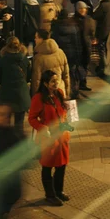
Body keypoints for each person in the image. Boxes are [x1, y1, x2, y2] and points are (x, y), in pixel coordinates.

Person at [28, 70, 71, 206]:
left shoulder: (59, 93)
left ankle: (59, 191)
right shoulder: (38, 98)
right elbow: (32, 118)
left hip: (61, 137)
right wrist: (42, 127)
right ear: (45, 83)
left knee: (62, 165)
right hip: (48, 138)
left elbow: (62, 112)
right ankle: (50, 195)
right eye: (52, 81)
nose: (56, 83)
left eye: (57, 80)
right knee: (47, 166)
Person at [0, 37, 31, 136]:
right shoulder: (25, 60)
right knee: (19, 124)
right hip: (21, 97)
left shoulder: (2, 61)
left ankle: (7, 145)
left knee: (5, 124)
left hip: (6, 97)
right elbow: (28, 77)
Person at [51, 10, 85, 99]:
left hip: (60, 55)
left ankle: (60, 93)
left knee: (60, 74)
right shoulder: (73, 27)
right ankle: (73, 92)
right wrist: (78, 56)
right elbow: (77, 43)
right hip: (72, 54)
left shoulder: (55, 26)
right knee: (72, 74)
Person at [31, 29, 70, 97]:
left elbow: (36, 81)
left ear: (41, 39)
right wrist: (67, 92)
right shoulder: (60, 52)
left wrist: (34, 96)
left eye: (36, 37)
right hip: (60, 90)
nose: (35, 39)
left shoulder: (39, 58)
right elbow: (66, 75)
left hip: (47, 93)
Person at [74, 1, 95, 91]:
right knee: (77, 66)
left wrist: (92, 38)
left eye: (84, 8)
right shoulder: (74, 20)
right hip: (78, 46)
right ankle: (76, 84)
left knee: (85, 65)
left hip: (86, 45)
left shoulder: (88, 19)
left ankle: (83, 83)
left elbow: (92, 32)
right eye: (81, 9)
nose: (83, 10)